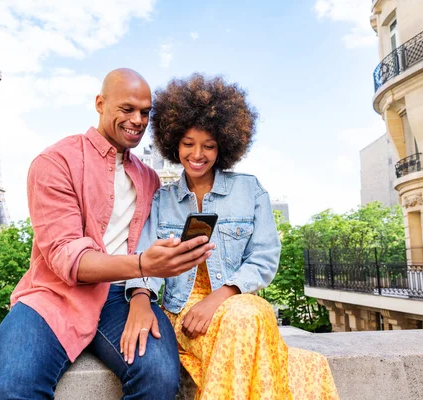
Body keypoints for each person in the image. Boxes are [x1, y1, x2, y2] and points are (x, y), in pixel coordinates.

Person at [0, 68, 216, 400]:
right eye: (127, 109)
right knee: (12, 387)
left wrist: (141, 294)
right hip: (54, 295)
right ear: (100, 104)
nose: (138, 119)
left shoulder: (150, 178)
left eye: (145, 112)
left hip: (122, 299)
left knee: (159, 376)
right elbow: (68, 257)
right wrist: (144, 266)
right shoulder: (56, 161)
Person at [122, 74, 339, 399]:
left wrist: (219, 296)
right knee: (248, 336)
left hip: (238, 300)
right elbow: (145, 262)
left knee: (247, 317)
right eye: (188, 144)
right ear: (174, 143)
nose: (198, 154)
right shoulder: (162, 200)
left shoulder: (249, 190)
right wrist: (140, 298)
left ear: (223, 145)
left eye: (208, 145)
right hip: (183, 311)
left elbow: (264, 258)